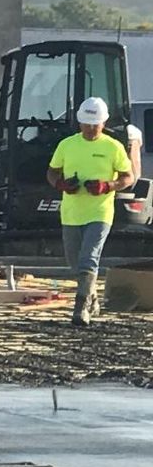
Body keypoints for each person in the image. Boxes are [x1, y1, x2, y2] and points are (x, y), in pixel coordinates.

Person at [48, 96, 133, 326]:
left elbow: (128, 177)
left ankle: (81, 307)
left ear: (103, 123)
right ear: (79, 123)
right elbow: (52, 171)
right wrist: (61, 184)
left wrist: (108, 186)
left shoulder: (112, 147)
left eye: (94, 125)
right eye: (86, 124)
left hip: (100, 212)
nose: (90, 129)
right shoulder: (67, 145)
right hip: (72, 213)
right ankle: (92, 296)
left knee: (88, 259)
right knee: (74, 262)